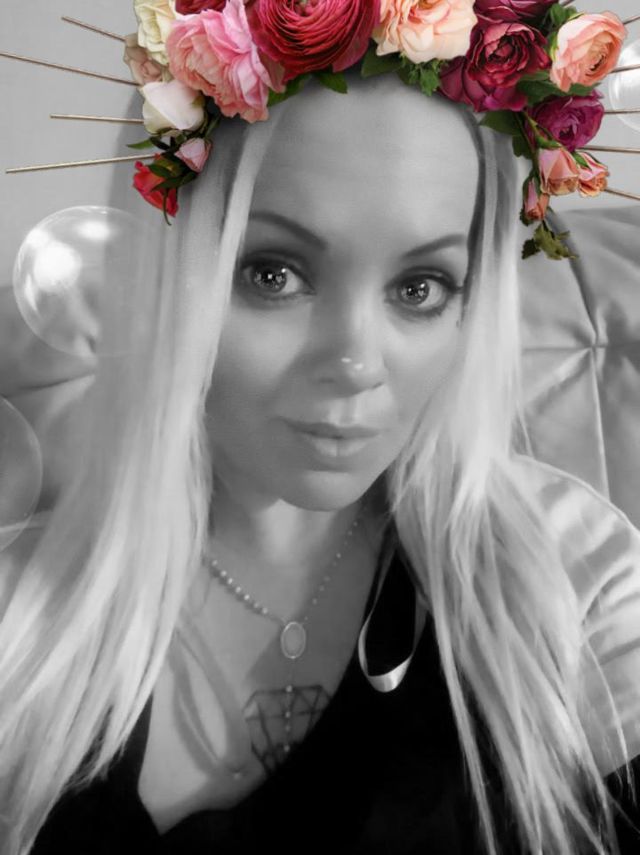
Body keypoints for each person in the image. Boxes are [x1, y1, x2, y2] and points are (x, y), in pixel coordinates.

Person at [1, 68, 640, 855]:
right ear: (166, 274)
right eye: (273, 273)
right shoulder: (23, 624)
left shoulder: (572, 579)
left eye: (421, 286)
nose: (356, 364)